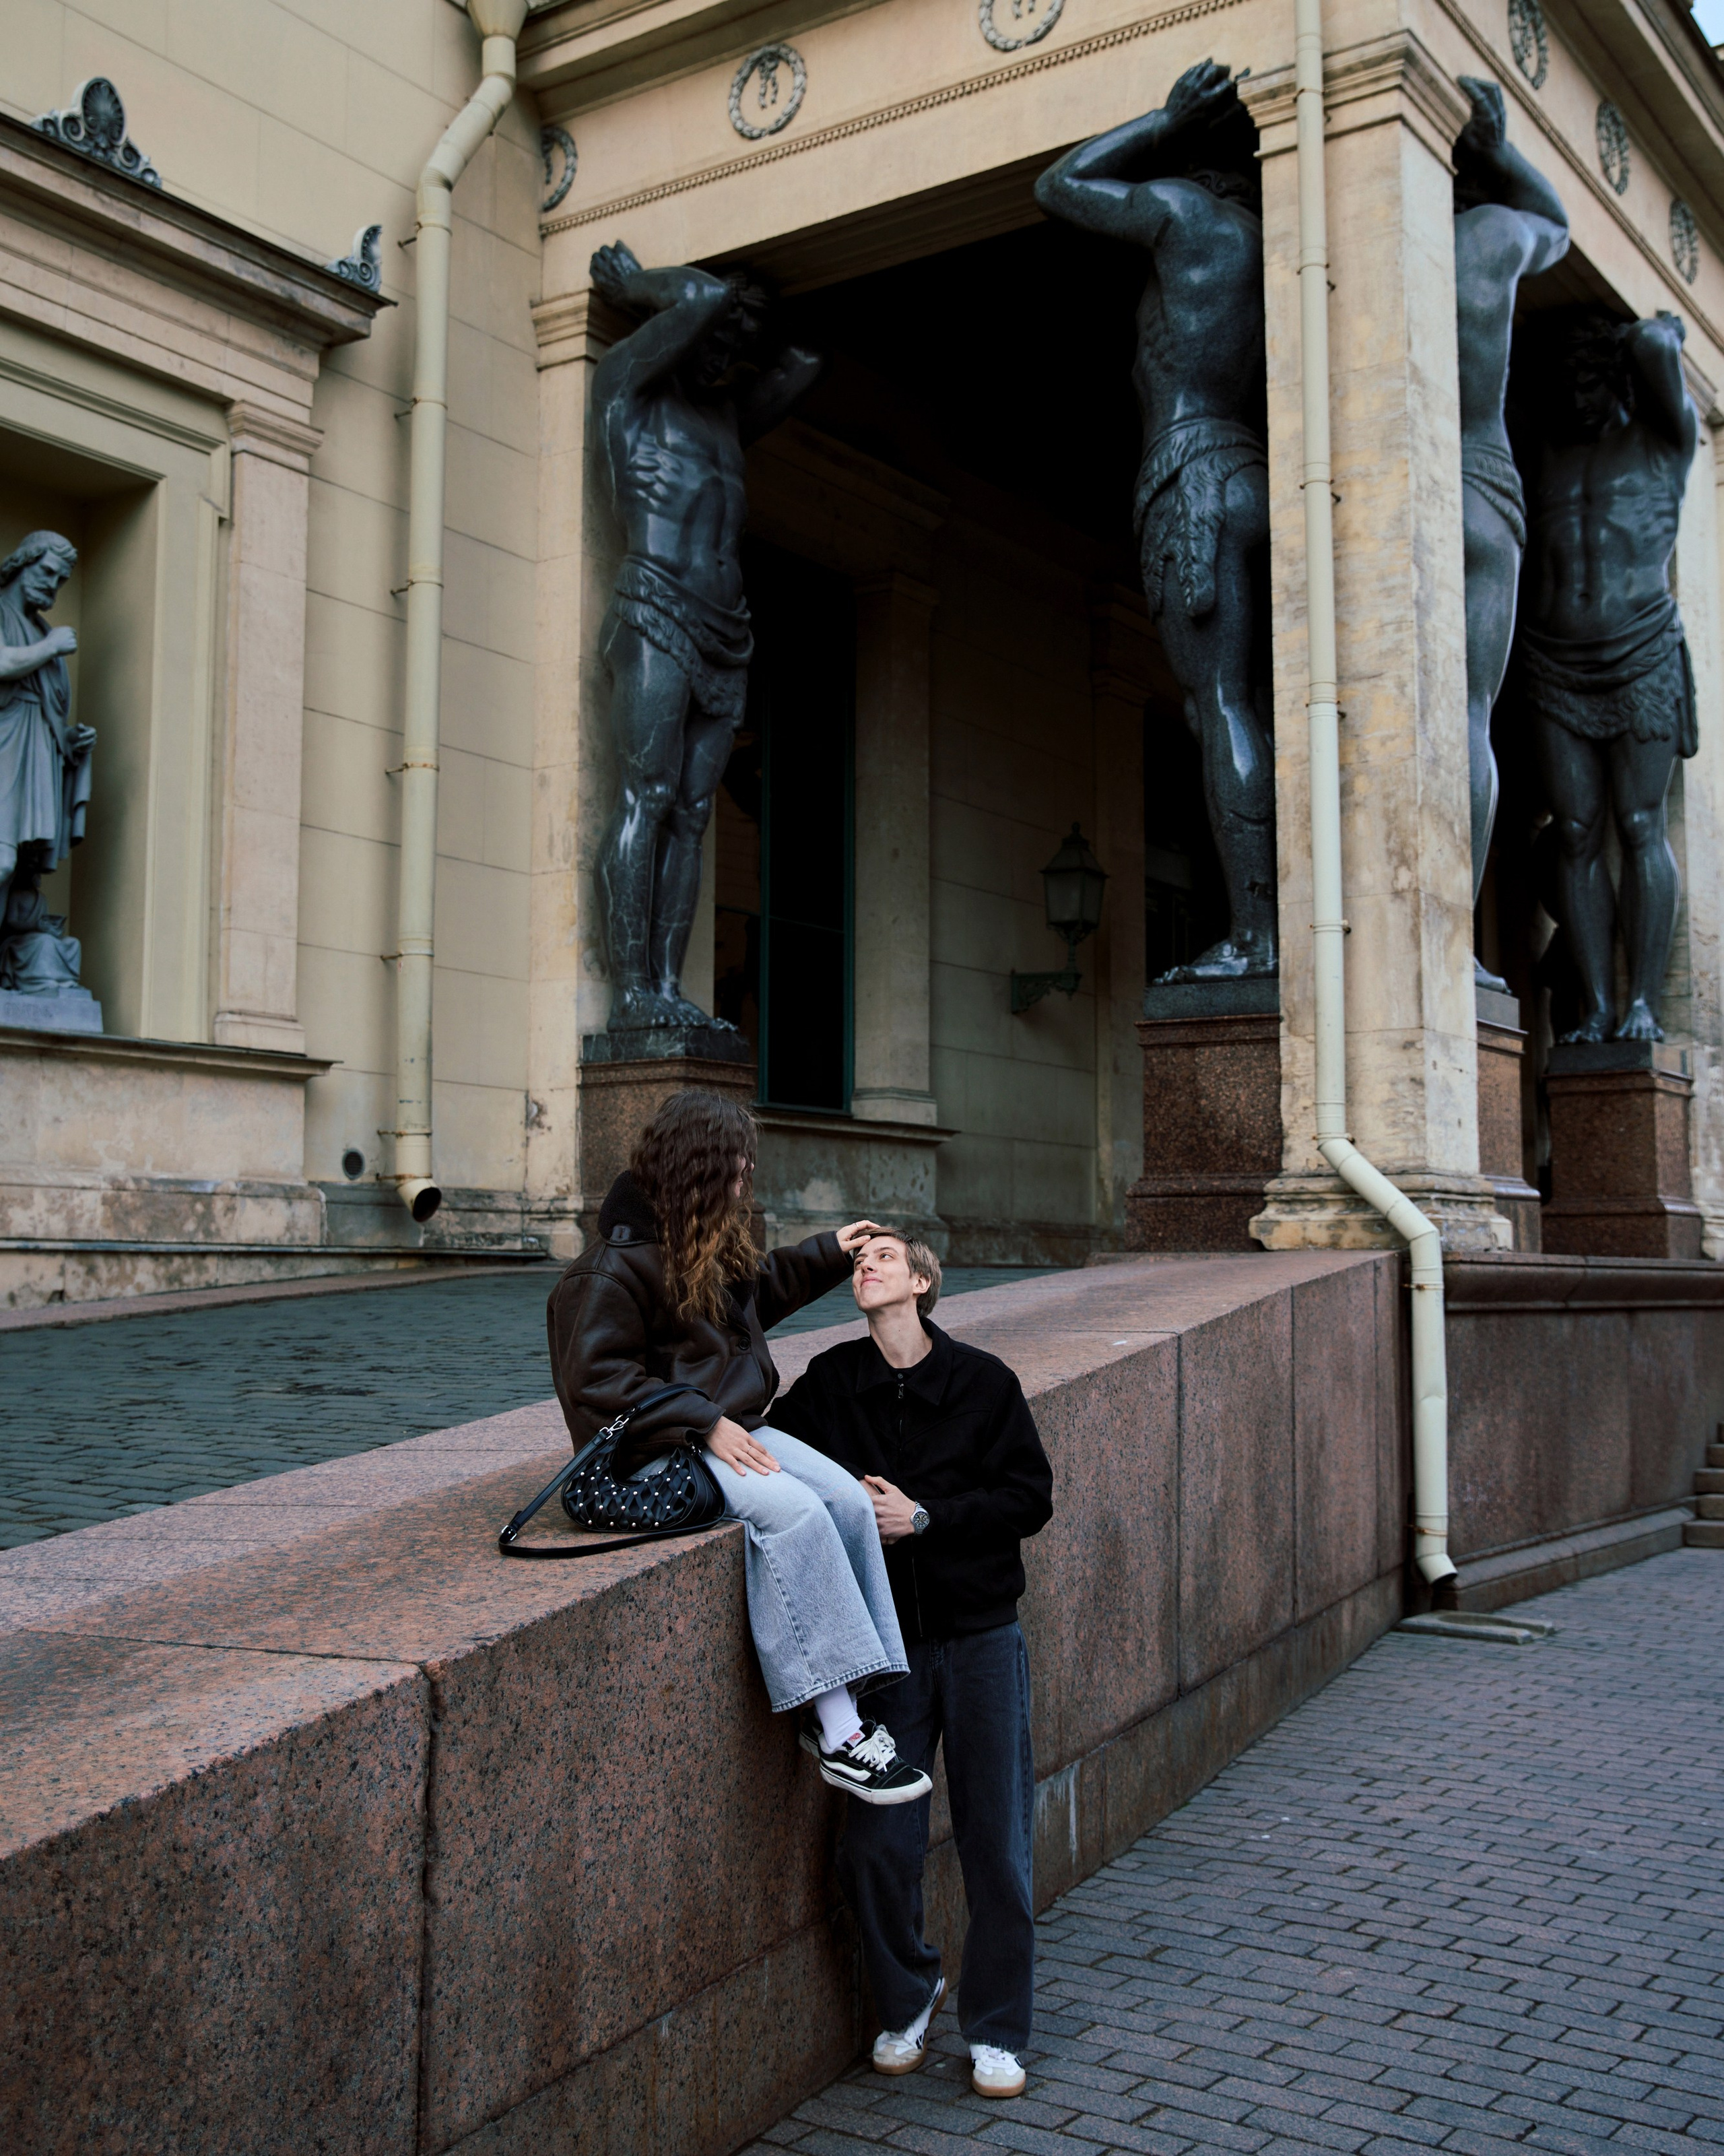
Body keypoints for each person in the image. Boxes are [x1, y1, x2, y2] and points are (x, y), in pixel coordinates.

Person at [548, 1089, 931, 1802]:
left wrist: (829, 1252)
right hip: (657, 1450)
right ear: (699, 1166)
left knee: (847, 1501)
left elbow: (758, 1295)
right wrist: (704, 1421)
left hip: (725, 1428)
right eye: (736, 1162)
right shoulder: (607, 1270)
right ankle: (839, 1732)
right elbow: (596, 1382)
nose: (747, 1174)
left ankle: (852, 1692)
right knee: (795, 1514)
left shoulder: (698, 1240)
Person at [773, 1231, 1054, 2101]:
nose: (867, 1267)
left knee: (995, 1842)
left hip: (980, 1639)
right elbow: (771, 1448)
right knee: (875, 1846)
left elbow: (1029, 1498)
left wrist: (925, 1517)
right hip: (886, 1652)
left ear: (922, 1282)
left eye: (886, 1257)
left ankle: (997, 2030)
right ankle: (909, 1995)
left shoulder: (984, 1382)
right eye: (860, 1261)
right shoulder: (831, 1381)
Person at [1035, 60, 1275, 981]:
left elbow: (1060, 183)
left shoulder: (1183, 213)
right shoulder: (1269, 242)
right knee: (1250, 706)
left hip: (1188, 471)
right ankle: (1272, 924)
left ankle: (1255, 936)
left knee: (1219, 706)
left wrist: (1163, 123)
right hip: (1248, 463)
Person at [587, 241, 820, 1036]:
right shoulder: (626, 389)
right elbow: (695, 303)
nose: (722, 354)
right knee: (647, 796)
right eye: (713, 338)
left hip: (728, 628)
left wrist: (747, 317)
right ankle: (630, 992)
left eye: (734, 344)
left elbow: (806, 362)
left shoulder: (725, 418)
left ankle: (666, 986)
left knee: (691, 814)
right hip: (655, 604)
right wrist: (640, 287)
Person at [1514, 308, 1697, 1041]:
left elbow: (1654, 341)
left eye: (1590, 382)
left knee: (1640, 823)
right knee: (1576, 830)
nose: (1577, 399)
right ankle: (1594, 1007)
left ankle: (1643, 1003)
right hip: (1553, 660)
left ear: (1619, 379)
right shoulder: (1545, 451)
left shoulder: (1663, 441)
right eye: (1567, 385)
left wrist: (1649, 337)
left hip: (1640, 650)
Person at [1449, 77, 1568, 985]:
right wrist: (1502, 153)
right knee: (1467, 715)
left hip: (1382, 469)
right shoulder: (1492, 236)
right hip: (1484, 481)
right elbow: (1556, 224)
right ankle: (1449, 937)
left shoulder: (1355, 220)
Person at [0, 530, 93, 940]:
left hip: (34, 754)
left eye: (61, 580)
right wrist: (51, 647)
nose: (53, 585)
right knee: (2, 862)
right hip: (5, 748)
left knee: (16, 870)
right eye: (48, 572)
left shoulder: (41, 630)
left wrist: (70, 742)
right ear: (23, 563)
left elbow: (47, 710)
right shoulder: (39, 635)